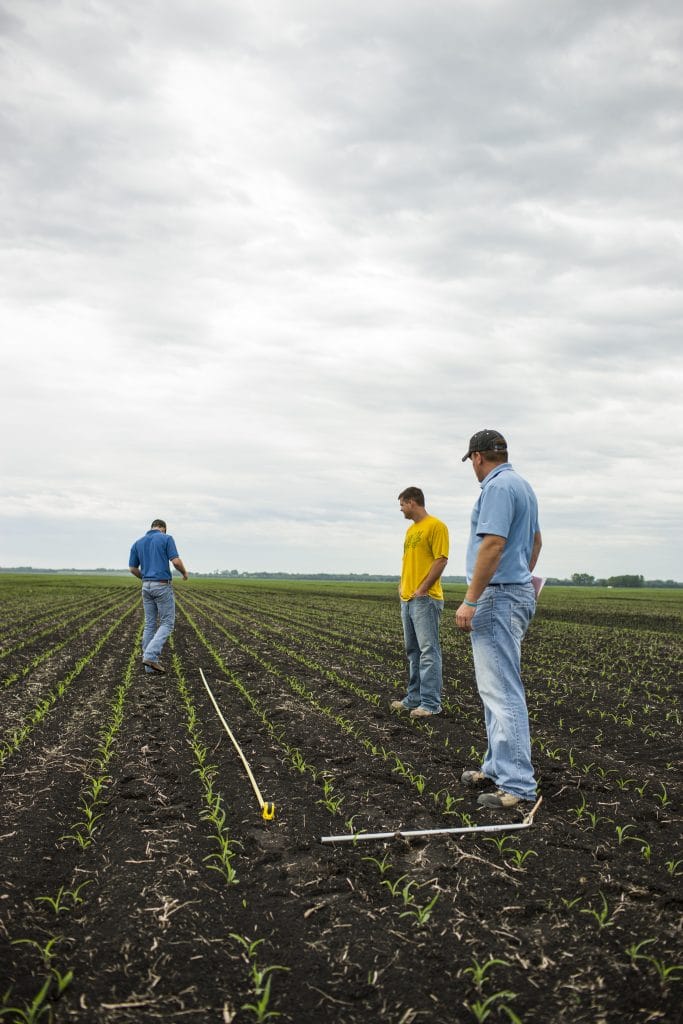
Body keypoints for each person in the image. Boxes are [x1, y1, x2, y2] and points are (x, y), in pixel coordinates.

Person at [455, 430, 542, 809]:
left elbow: (492, 544)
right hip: (514, 592)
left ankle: (519, 785)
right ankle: (496, 766)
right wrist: (522, 576)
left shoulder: (497, 487)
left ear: (477, 457)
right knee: (494, 689)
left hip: (499, 596)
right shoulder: (522, 485)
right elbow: (536, 541)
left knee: (502, 691)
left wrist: (471, 599)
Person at [391, 487, 449, 718]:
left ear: (413, 502)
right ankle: (413, 698)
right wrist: (402, 587)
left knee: (428, 651)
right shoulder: (410, 530)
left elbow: (441, 559)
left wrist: (422, 589)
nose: (401, 509)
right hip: (407, 599)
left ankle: (430, 703)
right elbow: (409, 561)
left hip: (425, 599)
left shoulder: (436, 526)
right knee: (412, 651)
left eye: (402, 504)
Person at [128, 519, 189, 674]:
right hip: (161, 585)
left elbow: (132, 568)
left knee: (149, 624)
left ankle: (149, 668)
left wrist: (146, 577)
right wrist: (184, 572)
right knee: (167, 622)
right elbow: (175, 561)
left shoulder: (137, 543)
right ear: (163, 528)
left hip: (146, 586)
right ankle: (150, 655)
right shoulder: (166, 538)